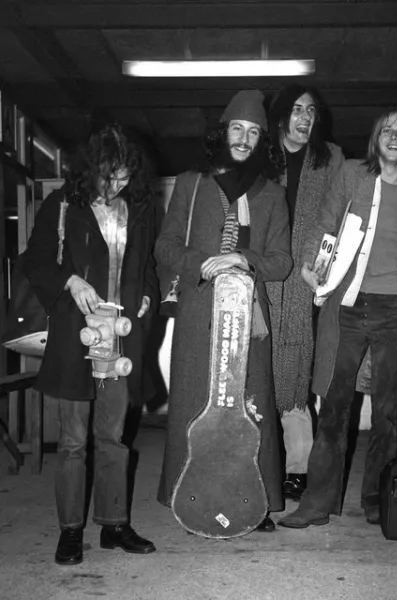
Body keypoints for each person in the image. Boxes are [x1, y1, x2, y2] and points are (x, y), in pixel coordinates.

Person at [279, 107, 397, 528]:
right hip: (349, 307)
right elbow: (326, 223)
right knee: (335, 407)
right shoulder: (354, 174)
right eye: (386, 130)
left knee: (388, 414)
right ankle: (318, 502)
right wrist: (310, 262)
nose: (394, 137)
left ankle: (377, 498)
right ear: (375, 140)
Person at [22, 124, 159, 565]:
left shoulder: (137, 209)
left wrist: (146, 296)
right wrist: (70, 279)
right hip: (75, 337)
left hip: (119, 340)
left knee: (114, 438)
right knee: (73, 442)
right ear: (91, 169)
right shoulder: (62, 204)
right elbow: (35, 259)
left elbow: (148, 267)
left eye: (122, 176)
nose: (115, 184)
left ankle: (114, 524)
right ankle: (70, 531)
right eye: (108, 175)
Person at [155, 90, 292, 532]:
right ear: (223, 132)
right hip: (199, 314)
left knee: (253, 404)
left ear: (262, 141)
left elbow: (282, 261)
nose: (244, 138)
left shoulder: (271, 193)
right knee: (196, 401)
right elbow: (165, 245)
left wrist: (242, 259)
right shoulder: (192, 183)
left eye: (254, 132)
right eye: (238, 128)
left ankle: (257, 497)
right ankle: (184, 491)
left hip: (249, 318)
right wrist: (203, 262)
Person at [267, 84, 344, 501]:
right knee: (258, 367)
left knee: (295, 366)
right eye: (296, 109)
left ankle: (298, 468)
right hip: (262, 271)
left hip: (306, 275)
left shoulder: (329, 158)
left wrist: (316, 266)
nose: (304, 117)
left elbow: (336, 214)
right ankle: (262, 462)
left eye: (311, 110)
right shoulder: (262, 154)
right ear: (281, 116)